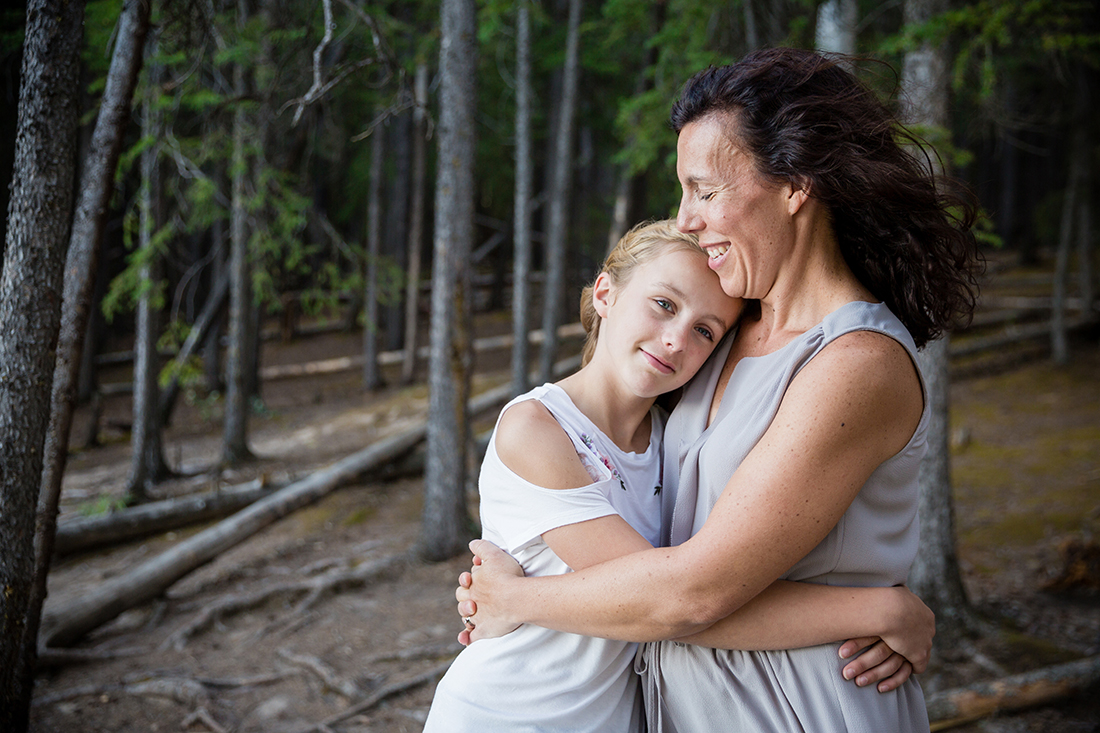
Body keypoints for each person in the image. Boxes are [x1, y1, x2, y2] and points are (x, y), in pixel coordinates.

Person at [456, 48, 982, 732]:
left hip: (799, 707)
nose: (687, 218)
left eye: (704, 190)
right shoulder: (730, 329)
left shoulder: (856, 363)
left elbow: (691, 593)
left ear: (796, 185)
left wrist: (518, 598)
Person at [428, 219, 937, 732]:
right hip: (510, 715)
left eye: (704, 331)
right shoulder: (539, 430)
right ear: (605, 293)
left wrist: (515, 599)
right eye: (664, 305)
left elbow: (694, 584)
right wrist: (878, 611)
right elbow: (668, 605)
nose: (675, 340)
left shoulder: (675, 437)